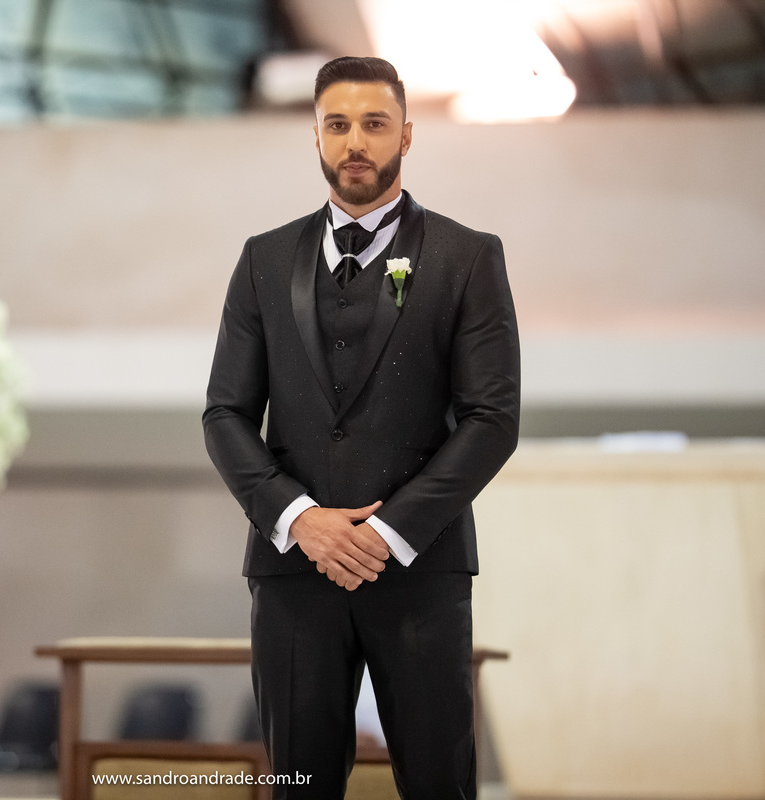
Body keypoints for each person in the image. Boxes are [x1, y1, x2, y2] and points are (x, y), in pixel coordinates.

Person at [202, 56, 520, 799]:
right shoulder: (262, 260)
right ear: (313, 135)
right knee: (298, 786)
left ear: (407, 135)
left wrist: (387, 533)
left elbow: (492, 419)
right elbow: (225, 414)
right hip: (293, 578)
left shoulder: (467, 257)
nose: (356, 142)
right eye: (337, 124)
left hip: (419, 574)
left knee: (439, 782)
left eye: (374, 124)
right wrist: (299, 518)